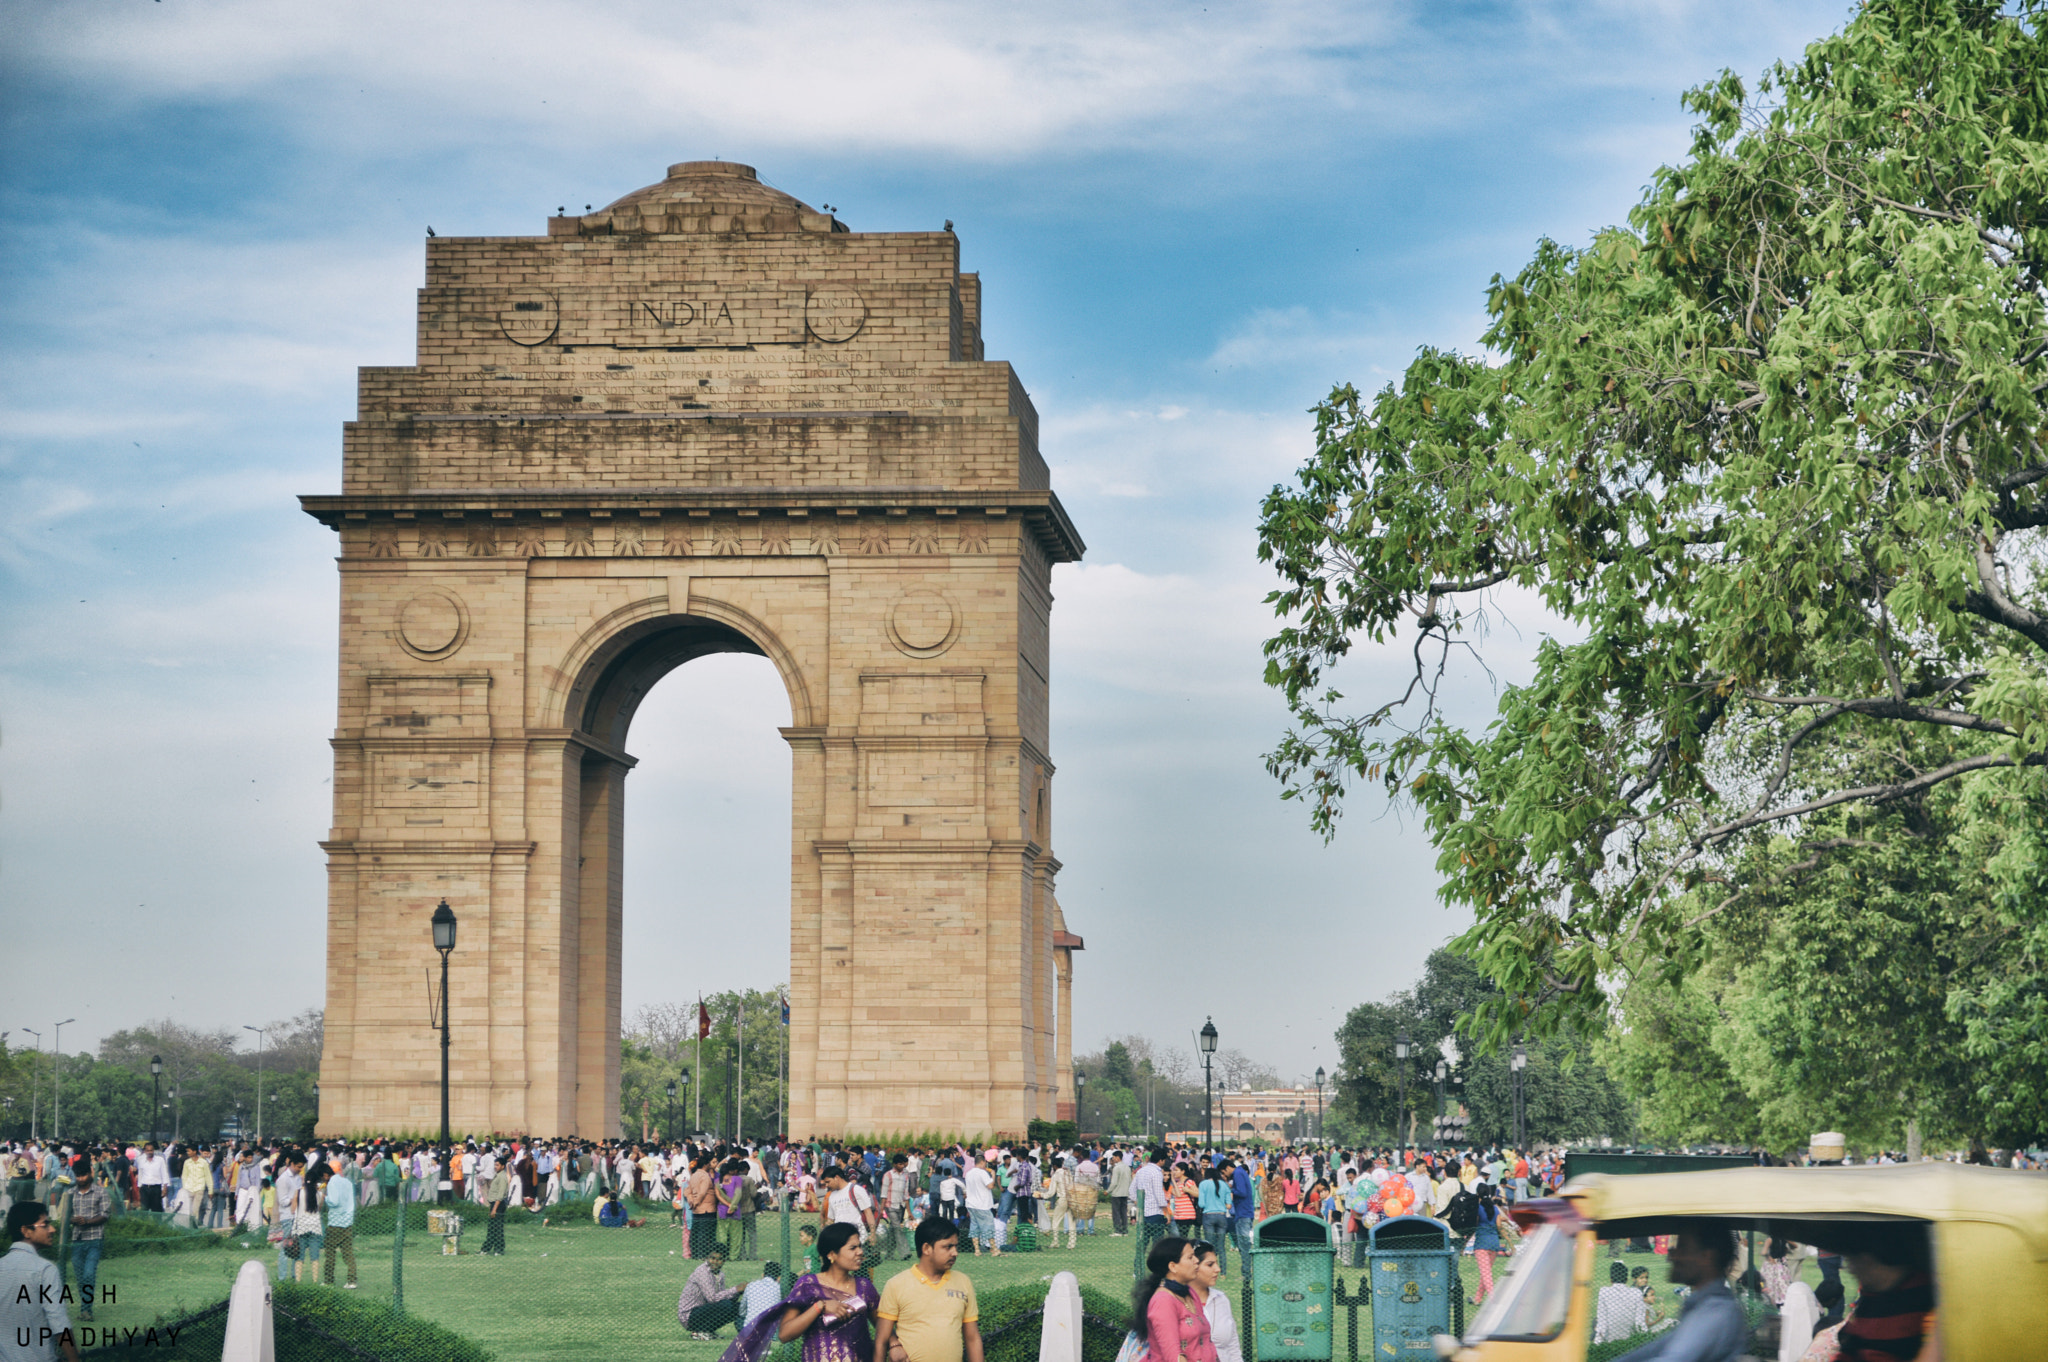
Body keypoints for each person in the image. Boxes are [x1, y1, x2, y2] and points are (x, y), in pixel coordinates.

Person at [723, 1224, 877, 1362]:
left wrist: (895, 1345)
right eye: (853, 1248)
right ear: (831, 1254)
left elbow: (884, 1330)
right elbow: (785, 1334)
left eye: (860, 1246)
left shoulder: (864, 1286)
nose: (860, 1252)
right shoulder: (808, 1285)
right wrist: (819, 1306)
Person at [1610, 1227, 1747, 1362]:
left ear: (1707, 1257)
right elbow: (1656, 1349)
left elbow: (1674, 1358)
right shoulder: (1702, 1306)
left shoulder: (1716, 1311)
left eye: (1682, 1248)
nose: (1672, 1256)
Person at [874, 1217, 981, 1362]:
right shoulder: (896, 1285)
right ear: (926, 1249)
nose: (955, 1253)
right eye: (947, 1247)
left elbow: (972, 1338)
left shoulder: (963, 1282)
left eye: (956, 1246)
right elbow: (881, 1340)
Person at [3, 1201, 82, 1362]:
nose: (52, 1229)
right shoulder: (45, 1270)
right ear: (26, 1231)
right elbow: (59, 1324)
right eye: (45, 1224)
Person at [1836, 1233, 1933, 1362]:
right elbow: (1849, 1348)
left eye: (1853, 1260)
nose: (1851, 1270)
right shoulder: (1870, 1297)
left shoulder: (1922, 1296)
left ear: (1868, 1259)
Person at [1131, 1236, 1215, 1362]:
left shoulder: (1190, 1293)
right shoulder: (1163, 1301)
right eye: (1190, 1257)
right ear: (1173, 1266)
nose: (1196, 1260)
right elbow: (1173, 1355)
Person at [63, 1168, 111, 1322]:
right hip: (77, 1239)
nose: (80, 1178)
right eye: (78, 1175)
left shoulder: (100, 1192)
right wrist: (73, 1220)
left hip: (95, 1239)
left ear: (89, 1174)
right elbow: (65, 1215)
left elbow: (105, 1215)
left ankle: (86, 1310)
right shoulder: (70, 1193)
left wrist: (87, 1221)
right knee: (79, 1276)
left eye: (83, 1174)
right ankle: (85, 1308)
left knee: (89, 1274)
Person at [1191, 1240, 1243, 1362]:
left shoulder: (1221, 1299)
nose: (1218, 1269)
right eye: (1210, 1265)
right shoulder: (1176, 1302)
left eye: (1217, 1264)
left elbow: (1233, 1346)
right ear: (1192, 1266)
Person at [679, 1247, 745, 1340]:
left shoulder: (720, 1275)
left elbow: (722, 1297)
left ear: (724, 1260)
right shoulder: (702, 1272)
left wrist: (739, 1292)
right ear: (707, 1258)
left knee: (737, 1307)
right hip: (689, 1316)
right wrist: (735, 1289)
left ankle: (707, 1331)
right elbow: (712, 1299)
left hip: (704, 1311)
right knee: (726, 1305)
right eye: (712, 1258)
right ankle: (699, 1331)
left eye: (719, 1259)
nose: (715, 1261)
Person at [324, 1157, 359, 1286]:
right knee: (348, 1254)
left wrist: (325, 1198)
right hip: (347, 1221)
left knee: (330, 1254)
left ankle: (328, 1279)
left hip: (335, 1222)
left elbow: (334, 1201)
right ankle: (352, 1280)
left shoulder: (332, 1182)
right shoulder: (348, 1182)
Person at [1595, 1261, 1649, 1344]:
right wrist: (1645, 1340)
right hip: (1630, 1340)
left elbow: (1602, 1321)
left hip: (1609, 1340)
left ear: (1611, 1280)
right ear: (1627, 1280)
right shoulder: (1636, 1293)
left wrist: (1597, 1344)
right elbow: (1639, 1322)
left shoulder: (1604, 1291)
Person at [1469, 1183, 1502, 1305]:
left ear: (1478, 1194)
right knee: (1485, 1273)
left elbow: (1474, 1224)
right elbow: (1499, 1226)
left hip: (1481, 1244)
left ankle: (1494, 1300)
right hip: (1494, 1244)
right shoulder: (1495, 1208)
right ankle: (1477, 1299)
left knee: (1486, 1274)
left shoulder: (1477, 1208)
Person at [963, 1157, 998, 1256]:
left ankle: (977, 1250)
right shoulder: (982, 1173)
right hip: (982, 1204)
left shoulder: (969, 1173)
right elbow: (990, 1185)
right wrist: (993, 1176)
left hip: (971, 1204)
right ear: (982, 1162)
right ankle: (994, 1249)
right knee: (988, 1226)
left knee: (974, 1226)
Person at [741, 1262, 787, 1332]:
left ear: (763, 1275)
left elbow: (742, 1310)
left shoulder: (751, 1285)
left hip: (750, 1328)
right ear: (779, 1278)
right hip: (770, 1329)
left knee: (740, 1318)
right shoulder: (779, 1288)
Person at [1108, 1151, 1134, 1236]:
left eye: (1114, 1157)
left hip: (1117, 1193)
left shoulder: (1116, 1168)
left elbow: (1114, 1182)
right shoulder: (1127, 1167)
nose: (1113, 1159)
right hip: (1125, 1193)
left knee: (1116, 1212)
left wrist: (1108, 1191)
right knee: (1123, 1212)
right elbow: (1130, 1181)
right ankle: (1124, 1230)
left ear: (1117, 1157)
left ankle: (1117, 1230)